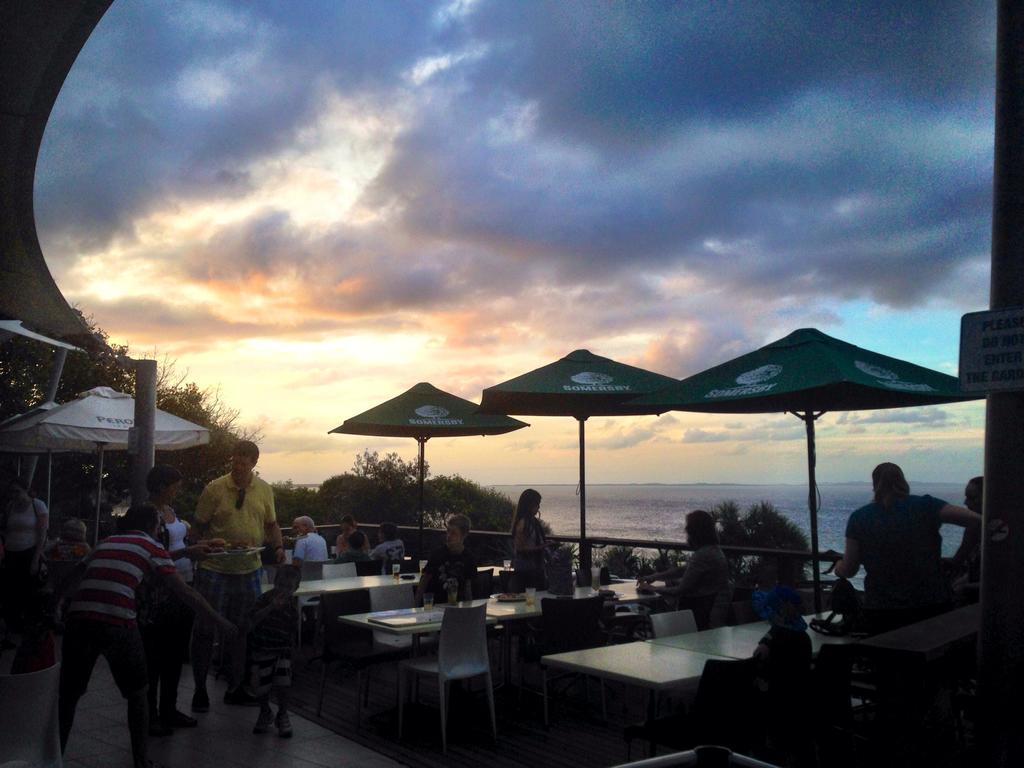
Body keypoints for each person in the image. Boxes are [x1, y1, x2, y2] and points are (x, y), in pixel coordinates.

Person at [58, 503, 235, 768]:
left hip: (78, 619)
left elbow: (73, 574)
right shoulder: (152, 546)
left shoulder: (106, 542)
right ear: (154, 526)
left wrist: (54, 604)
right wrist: (220, 621)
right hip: (117, 620)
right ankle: (141, 762)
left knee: (69, 694)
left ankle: (54, 756)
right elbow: (185, 592)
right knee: (138, 694)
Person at [833, 462, 981, 634]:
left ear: (875, 485)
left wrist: (838, 568)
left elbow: (850, 569)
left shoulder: (859, 518)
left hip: (883, 610)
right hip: (931, 605)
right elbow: (977, 520)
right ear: (903, 481)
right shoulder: (926, 506)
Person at [190, 440, 284, 712]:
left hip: (250, 568)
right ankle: (199, 689)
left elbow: (272, 525)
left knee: (243, 631)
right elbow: (198, 527)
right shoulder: (215, 488)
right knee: (205, 630)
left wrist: (278, 547)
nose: (239, 465)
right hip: (214, 569)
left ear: (254, 462)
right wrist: (199, 548)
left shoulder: (264, 490)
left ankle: (236, 687)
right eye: (236, 460)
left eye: (244, 461)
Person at [137, 464, 204, 735]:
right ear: (162, 485)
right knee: (155, 655)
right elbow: (151, 555)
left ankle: (169, 708)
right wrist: (188, 552)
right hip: (161, 591)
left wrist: (193, 552)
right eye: (174, 486)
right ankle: (150, 714)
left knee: (175, 654)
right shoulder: (147, 514)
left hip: (182, 584)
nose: (177, 491)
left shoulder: (170, 512)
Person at [245, 564, 301, 738]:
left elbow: (293, 629)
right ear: (274, 582)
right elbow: (252, 620)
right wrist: (270, 608)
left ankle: (282, 713)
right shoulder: (263, 599)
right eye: (281, 585)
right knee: (261, 686)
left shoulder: (292, 607)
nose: (284, 590)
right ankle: (265, 711)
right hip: (262, 649)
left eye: (288, 587)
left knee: (283, 684)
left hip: (282, 650)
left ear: (295, 588)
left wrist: (294, 650)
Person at [637, 509, 732, 609]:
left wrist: (652, 588)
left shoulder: (702, 555)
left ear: (693, 531)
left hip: (696, 611)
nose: (686, 530)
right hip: (707, 609)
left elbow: (680, 590)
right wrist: (654, 577)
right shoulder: (714, 551)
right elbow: (683, 570)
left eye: (688, 528)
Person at [1, 477, 49, 631]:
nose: (15, 495)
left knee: (28, 590)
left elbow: (42, 533)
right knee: (10, 590)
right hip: (11, 551)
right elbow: (6, 528)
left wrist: (36, 558)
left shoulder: (38, 506)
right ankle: (12, 625)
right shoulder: (10, 506)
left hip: (29, 551)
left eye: (18, 491)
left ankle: (28, 624)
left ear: (26, 490)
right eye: (12, 492)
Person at [416, 514, 477, 605]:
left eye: (453, 533)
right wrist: (416, 606)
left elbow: (468, 588)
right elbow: (424, 581)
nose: (448, 536)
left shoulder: (469, 558)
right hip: (434, 605)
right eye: (448, 531)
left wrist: (469, 608)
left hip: (456, 607)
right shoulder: (438, 554)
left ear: (463, 535)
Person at [510, 489, 547, 589]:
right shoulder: (523, 523)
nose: (538, 507)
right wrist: (542, 547)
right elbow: (520, 548)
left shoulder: (532, 522)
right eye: (537, 504)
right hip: (525, 570)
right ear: (529, 505)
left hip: (534, 568)